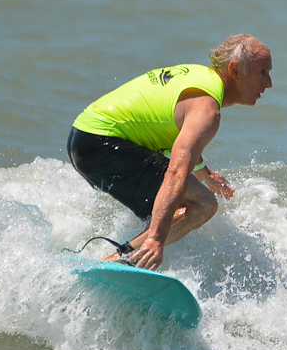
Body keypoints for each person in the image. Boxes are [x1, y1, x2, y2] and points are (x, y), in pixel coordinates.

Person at [66, 34, 273, 270]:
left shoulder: (199, 76)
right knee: (203, 204)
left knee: (176, 204)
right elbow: (175, 173)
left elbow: (179, 138)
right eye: (262, 73)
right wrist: (156, 239)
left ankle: (125, 258)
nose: (269, 83)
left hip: (82, 136)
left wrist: (204, 173)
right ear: (235, 70)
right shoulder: (207, 110)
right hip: (103, 144)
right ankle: (122, 260)